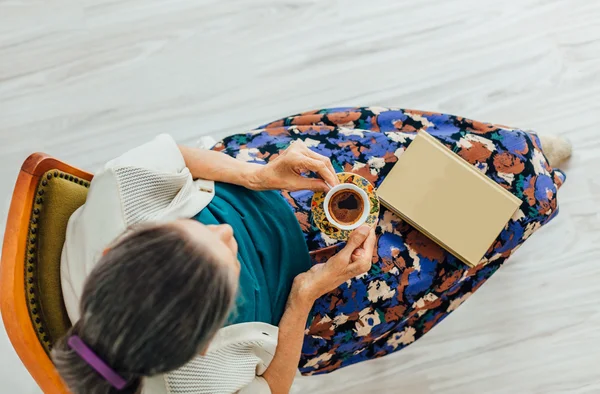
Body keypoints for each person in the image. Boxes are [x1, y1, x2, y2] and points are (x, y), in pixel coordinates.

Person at [52, 107, 569, 394]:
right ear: (207, 343)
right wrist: (304, 295)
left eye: (198, 230)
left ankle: (521, 166)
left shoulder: (117, 195)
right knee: (469, 221)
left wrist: (257, 174)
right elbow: (273, 389)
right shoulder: (197, 387)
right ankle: (530, 182)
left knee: (436, 169)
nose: (225, 234)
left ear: (116, 249)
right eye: (225, 263)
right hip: (310, 304)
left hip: (261, 186)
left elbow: (177, 160)